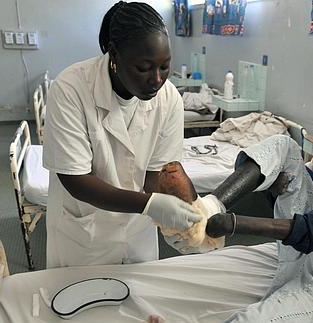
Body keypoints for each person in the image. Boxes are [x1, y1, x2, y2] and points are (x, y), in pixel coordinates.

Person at [168, 92, 313, 321]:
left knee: (253, 319)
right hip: (308, 247)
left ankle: (217, 215)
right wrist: (276, 187)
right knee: (284, 146)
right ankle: (210, 206)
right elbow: (299, 189)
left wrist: (235, 224)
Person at [42, 1, 201, 268]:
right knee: (78, 302)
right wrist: (151, 205)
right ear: (114, 56)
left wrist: (183, 214)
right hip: (85, 233)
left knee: (141, 303)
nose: (157, 80)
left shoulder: (169, 97)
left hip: (138, 232)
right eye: (144, 68)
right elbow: (76, 180)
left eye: (165, 67)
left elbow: (157, 173)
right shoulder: (71, 88)